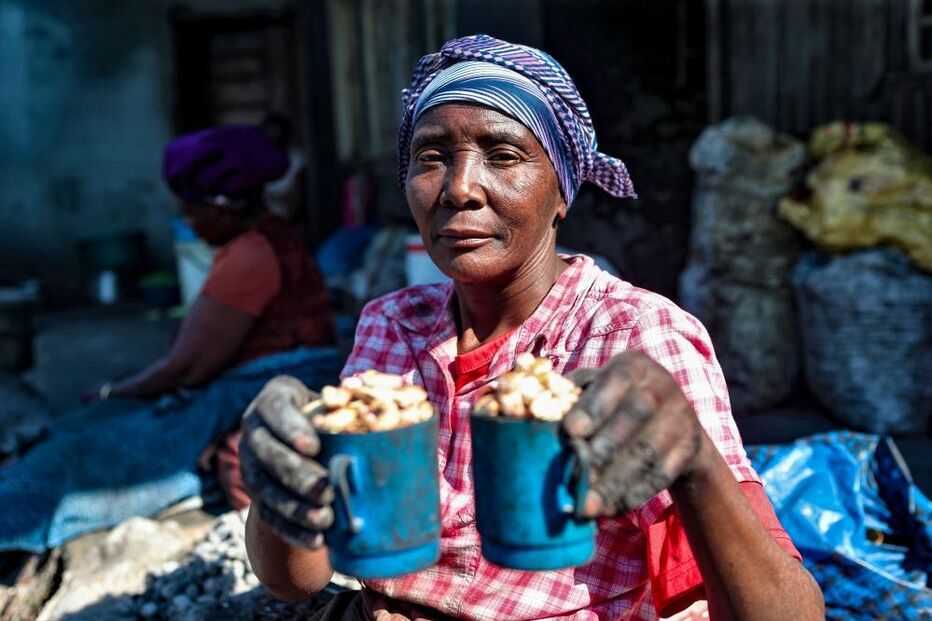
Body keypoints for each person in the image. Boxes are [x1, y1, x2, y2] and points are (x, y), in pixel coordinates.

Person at [239, 35, 824, 620]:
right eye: (432, 156)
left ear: (561, 191)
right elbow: (298, 581)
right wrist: (278, 484)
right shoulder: (394, 325)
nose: (460, 188)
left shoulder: (635, 336)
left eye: (504, 155)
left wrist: (694, 462)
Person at [0, 127, 340, 555]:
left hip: (251, 390)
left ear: (223, 207)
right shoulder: (268, 238)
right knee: (75, 428)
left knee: (75, 453)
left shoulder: (251, 256)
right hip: (253, 380)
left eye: (193, 212)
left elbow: (188, 368)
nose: (189, 224)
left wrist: (114, 389)